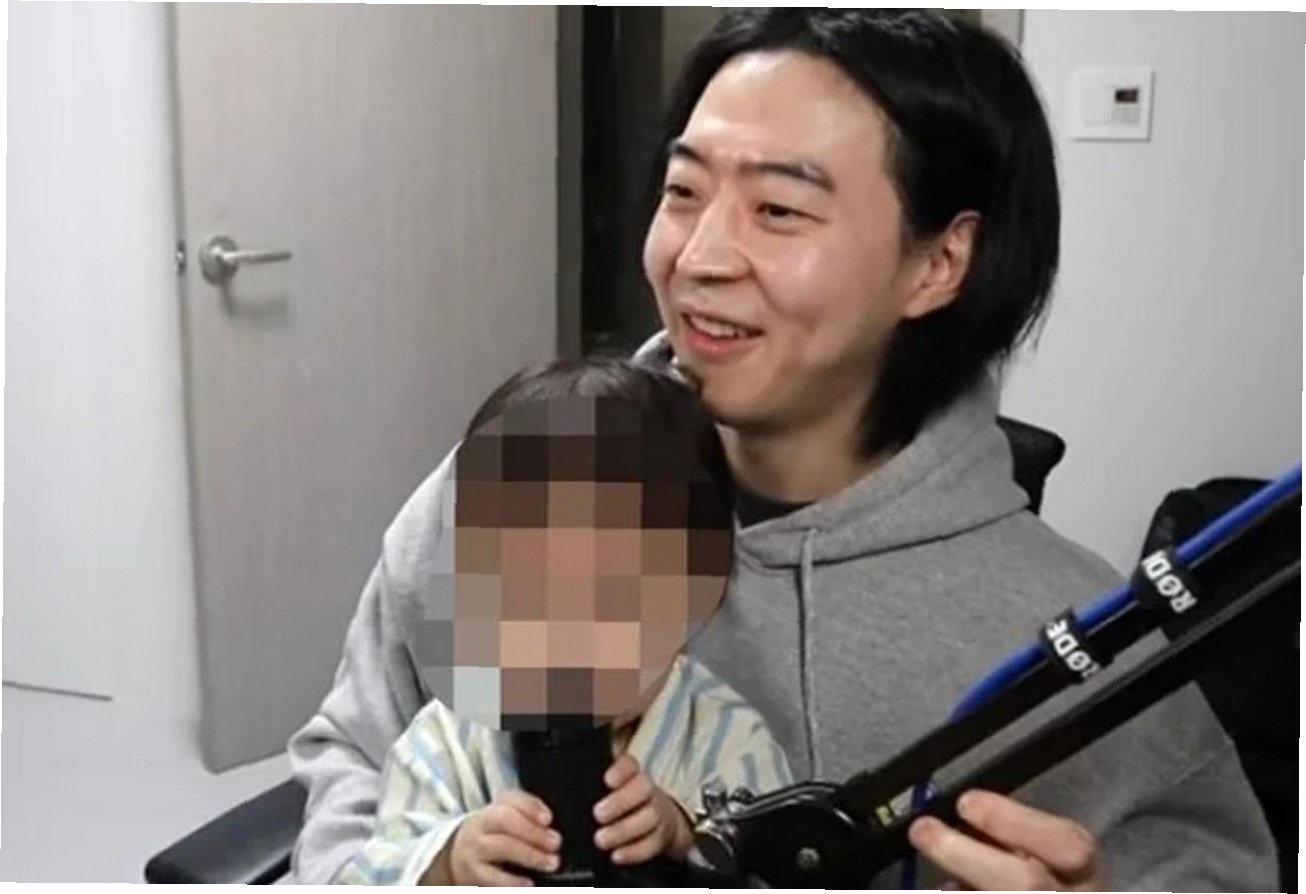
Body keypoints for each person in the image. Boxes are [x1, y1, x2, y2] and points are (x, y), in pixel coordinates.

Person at [290, 9, 1276, 889]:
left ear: (939, 262)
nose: (699, 257)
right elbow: (353, 760)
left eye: (779, 210)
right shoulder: (531, 473)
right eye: (683, 190)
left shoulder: (1058, 628)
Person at [332, 358, 792, 886]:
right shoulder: (447, 743)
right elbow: (365, 876)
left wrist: (688, 839)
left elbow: (778, 870)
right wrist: (447, 862)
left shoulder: (726, 738)